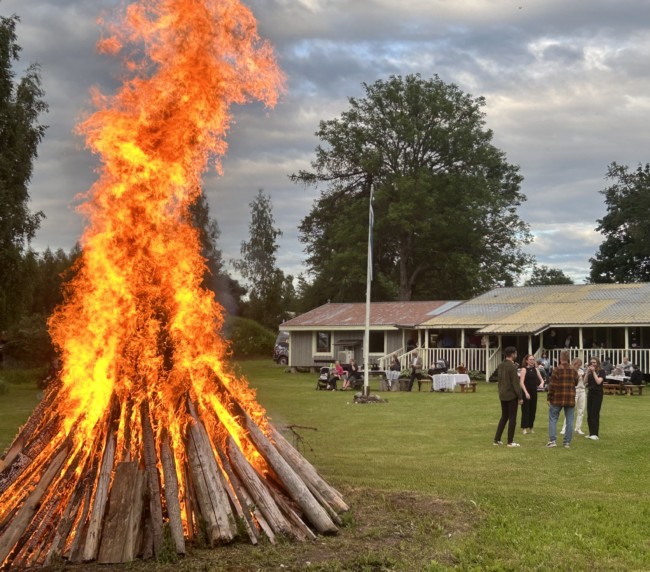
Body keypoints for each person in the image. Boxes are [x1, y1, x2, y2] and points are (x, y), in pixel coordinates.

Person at [546, 350, 578, 448]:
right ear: (568, 358)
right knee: (570, 420)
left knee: (553, 419)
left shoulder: (557, 369)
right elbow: (576, 382)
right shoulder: (573, 370)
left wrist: (549, 397)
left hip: (557, 397)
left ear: (560, 358)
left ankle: (553, 441)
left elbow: (552, 385)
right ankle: (567, 442)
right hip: (570, 398)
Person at [493, 346, 523, 447]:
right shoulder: (512, 366)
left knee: (504, 417)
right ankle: (510, 441)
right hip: (511, 395)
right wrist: (520, 396)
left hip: (502, 394)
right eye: (515, 353)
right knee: (512, 418)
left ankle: (497, 439)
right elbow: (515, 383)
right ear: (513, 354)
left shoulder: (501, 365)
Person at [519, 354, 545, 435]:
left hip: (534, 392)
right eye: (530, 359)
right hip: (526, 391)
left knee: (533, 409)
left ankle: (531, 427)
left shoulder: (536, 369)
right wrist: (526, 392)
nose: (532, 361)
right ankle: (524, 428)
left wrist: (541, 384)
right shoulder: (524, 369)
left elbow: (542, 380)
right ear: (526, 361)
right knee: (525, 410)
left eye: (533, 359)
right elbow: (521, 382)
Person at [561, 357, 586, 436]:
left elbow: (585, 382)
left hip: (582, 390)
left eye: (580, 365)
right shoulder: (570, 371)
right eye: (578, 364)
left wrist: (584, 376)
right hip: (574, 391)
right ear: (574, 364)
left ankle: (578, 428)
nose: (579, 366)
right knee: (570, 410)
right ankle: (564, 428)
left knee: (581, 410)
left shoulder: (581, 371)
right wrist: (577, 377)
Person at [585, 356, 605, 440]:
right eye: (591, 362)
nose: (593, 364)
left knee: (595, 413)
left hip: (598, 394)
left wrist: (593, 372)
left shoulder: (601, 371)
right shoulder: (590, 372)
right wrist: (587, 372)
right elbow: (584, 381)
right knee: (589, 414)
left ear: (597, 363)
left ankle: (595, 433)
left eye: (594, 362)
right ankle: (591, 433)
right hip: (590, 393)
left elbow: (598, 382)